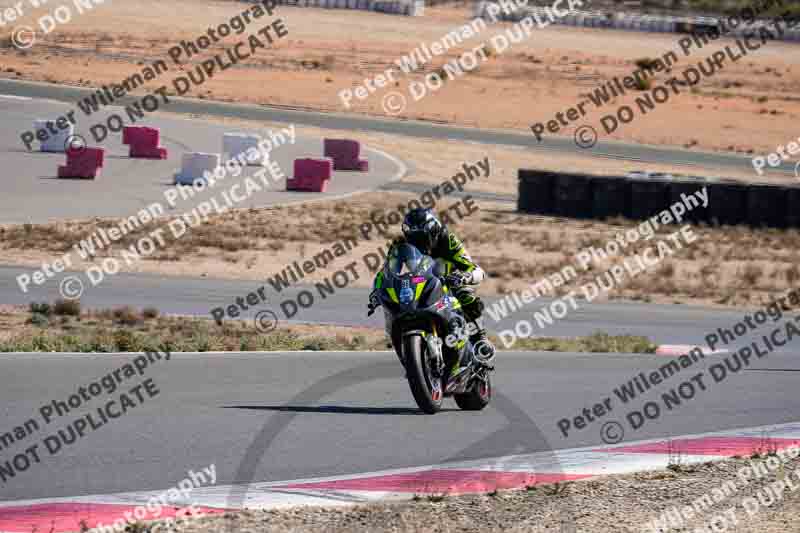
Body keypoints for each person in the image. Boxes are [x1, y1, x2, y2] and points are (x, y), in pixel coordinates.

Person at [369, 207, 495, 365]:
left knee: (464, 293)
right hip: (420, 282)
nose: (418, 244)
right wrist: (376, 291)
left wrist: (465, 276)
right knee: (390, 299)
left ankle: (480, 339)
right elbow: (387, 271)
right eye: (413, 240)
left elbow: (475, 269)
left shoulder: (447, 239)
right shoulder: (400, 244)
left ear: (433, 231)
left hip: (447, 280)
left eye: (422, 239)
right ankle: (397, 339)